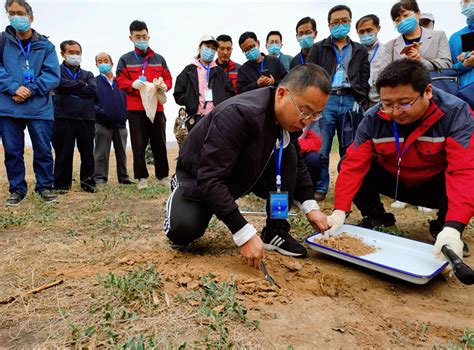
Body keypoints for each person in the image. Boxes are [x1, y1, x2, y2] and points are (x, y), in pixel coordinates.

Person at [164, 64, 332, 267]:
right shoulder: (239, 114)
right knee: (184, 229)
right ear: (281, 94)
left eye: (315, 115)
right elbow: (209, 177)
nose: (308, 121)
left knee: (287, 154)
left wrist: (310, 206)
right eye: (305, 111)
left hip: (243, 174)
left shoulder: (288, 122)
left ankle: (276, 229)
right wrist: (243, 232)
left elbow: (297, 167)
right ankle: (180, 190)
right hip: (199, 178)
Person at [326, 59, 473, 263]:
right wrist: (339, 211)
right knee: (345, 162)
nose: (395, 112)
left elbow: (464, 171)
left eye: (405, 103)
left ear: (428, 91)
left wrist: (454, 226)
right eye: (387, 104)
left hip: (434, 186)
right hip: (395, 182)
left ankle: (445, 229)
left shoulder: (456, 114)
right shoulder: (373, 118)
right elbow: (353, 166)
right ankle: (376, 216)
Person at [306, 4, 370, 202]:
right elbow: (311, 72)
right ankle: (321, 187)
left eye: (344, 21)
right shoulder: (319, 48)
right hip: (327, 99)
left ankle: (346, 188)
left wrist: (361, 96)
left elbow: (365, 75)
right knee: (323, 147)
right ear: (329, 25)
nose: (340, 25)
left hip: (350, 98)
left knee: (348, 147)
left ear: (350, 22)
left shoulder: (359, 49)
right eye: (335, 22)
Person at [0, 0, 60, 206]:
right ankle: (17, 189)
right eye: (11, 13)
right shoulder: (2, 42)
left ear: (31, 17)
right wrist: (14, 88)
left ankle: (45, 187)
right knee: (12, 151)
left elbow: (52, 75)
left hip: (39, 108)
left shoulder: (46, 45)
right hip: (9, 106)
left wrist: (29, 90)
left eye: (20, 12)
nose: (16, 16)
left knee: (43, 149)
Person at [116, 20, 172, 190]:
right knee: (138, 144)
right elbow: (119, 80)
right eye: (138, 36)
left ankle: (162, 176)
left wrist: (164, 86)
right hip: (135, 109)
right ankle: (141, 178)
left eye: (144, 36)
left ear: (149, 36)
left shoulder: (159, 59)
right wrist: (131, 84)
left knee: (159, 143)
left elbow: (168, 78)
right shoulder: (125, 59)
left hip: (157, 109)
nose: (142, 39)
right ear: (131, 38)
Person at [53, 40, 96, 193]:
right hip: (64, 117)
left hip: (86, 118)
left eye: (77, 52)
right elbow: (58, 84)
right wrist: (80, 85)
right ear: (63, 54)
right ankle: (61, 185)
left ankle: (88, 183)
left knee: (88, 152)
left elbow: (92, 91)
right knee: (64, 152)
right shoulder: (56, 71)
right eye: (71, 52)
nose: (75, 55)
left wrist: (70, 87)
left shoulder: (88, 74)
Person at [173, 35, 235, 131]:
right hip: (196, 118)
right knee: (197, 145)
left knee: (216, 145)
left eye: (213, 48)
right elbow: (178, 92)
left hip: (217, 117)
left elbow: (230, 91)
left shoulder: (219, 71)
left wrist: (221, 104)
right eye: (207, 46)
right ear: (200, 47)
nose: (210, 50)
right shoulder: (189, 70)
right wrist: (191, 102)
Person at [93, 52, 133, 185]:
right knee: (101, 153)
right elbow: (91, 103)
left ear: (112, 63)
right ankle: (100, 178)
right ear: (97, 65)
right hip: (102, 124)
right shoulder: (94, 82)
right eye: (100, 61)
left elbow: (128, 100)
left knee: (122, 153)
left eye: (106, 60)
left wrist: (125, 115)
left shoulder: (120, 82)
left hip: (121, 124)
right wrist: (101, 113)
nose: (103, 63)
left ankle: (124, 177)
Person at [379, 0, 451, 72]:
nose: (402, 21)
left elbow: (447, 64)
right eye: (398, 20)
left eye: (405, 15)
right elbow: (383, 73)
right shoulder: (390, 46)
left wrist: (421, 61)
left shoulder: (438, 36)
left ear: (417, 14)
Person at [356, 14, 385, 108]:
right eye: (361, 31)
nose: (365, 34)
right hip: (360, 102)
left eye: (369, 30)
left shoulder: (386, 50)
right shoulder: (354, 52)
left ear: (378, 28)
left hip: (380, 101)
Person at [449, 0, 474, 90]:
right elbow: (449, 69)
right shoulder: (455, 38)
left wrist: (468, 55)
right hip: (467, 95)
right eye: (466, 0)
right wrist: (464, 65)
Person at [298, 121, 323, 191]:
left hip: (302, 152)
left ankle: (308, 192)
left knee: (314, 160)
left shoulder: (312, 117)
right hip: (283, 150)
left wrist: (296, 145)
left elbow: (316, 142)